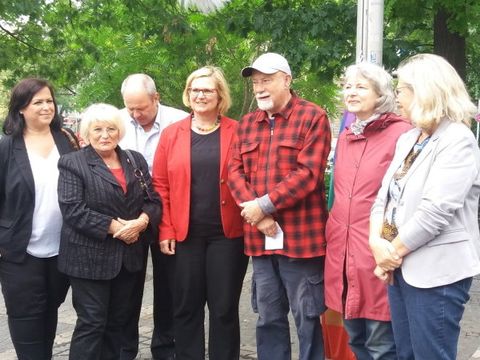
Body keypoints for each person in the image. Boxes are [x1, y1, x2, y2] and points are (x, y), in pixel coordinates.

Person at [370, 53, 480, 359]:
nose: (397, 97)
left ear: (425, 91)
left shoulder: (457, 139)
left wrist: (390, 254)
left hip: (436, 274)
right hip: (400, 268)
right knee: (406, 354)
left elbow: (435, 212)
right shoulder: (408, 139)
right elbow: (383, 198)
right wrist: (375, 242)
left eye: (402, 89)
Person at [228, 52, 331, 360]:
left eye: (267, 80)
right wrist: (258, 217)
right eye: (256, 82)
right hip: (261, 242)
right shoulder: (247, 124)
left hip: (303, 242)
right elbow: (233, 173)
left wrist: (264, 205)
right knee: (268, 319)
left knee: (309, 319)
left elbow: (308, 174)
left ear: (287, 80)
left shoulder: (313, 116)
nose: (260, 87)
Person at [152, 66, 248, 360]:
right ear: (187, 94)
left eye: (207, 90)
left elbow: (248, 176)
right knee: (186, 307)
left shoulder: (239, 130)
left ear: (220, 95)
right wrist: (166, 228)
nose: (200, 95)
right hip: (184, 236)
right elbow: (160, 184)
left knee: (223, 308)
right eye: (195, 89)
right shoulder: (171, 134)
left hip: (227, 235)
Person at [57, 103, 161, 360]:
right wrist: (117, 228)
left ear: (120, 131)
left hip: (129, 258)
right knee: (92, 323)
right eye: (98, 129)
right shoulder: (72, 163)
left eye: (111, 129)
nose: (105, 135)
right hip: (89, 260)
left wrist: (142, 222)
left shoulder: (133, 159)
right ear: (86, 133)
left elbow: (153, 199)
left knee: (121, 323)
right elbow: (73, 209)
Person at [324, 62, 411, 359]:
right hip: (344, 253)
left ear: (381, 94)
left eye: (360, 87)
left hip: (378, 252)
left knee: (381, 343)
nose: (351, 92)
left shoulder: (403, 134)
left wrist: (389, 244)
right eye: (348, 86)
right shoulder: (348, 136)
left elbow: (405, 197)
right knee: (356, 339)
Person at [0, 78, 77, 359]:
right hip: (19, 251)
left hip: (62, 249)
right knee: (25, 316)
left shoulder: (66, 140)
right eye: (38, 102)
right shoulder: (7, 146)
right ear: (21, 108)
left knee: (49, 312)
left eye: (49, 101)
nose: (47, 107)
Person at [119, 73, 187, 360]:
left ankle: (166, 348)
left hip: (168, 211)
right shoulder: (117, 121)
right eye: (130, 107)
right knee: (127, 287)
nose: (135, 114)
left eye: (141, 108)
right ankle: (124, 349)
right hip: (128, 217)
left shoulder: (180, 121)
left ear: (156, 98)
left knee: (170, 285)